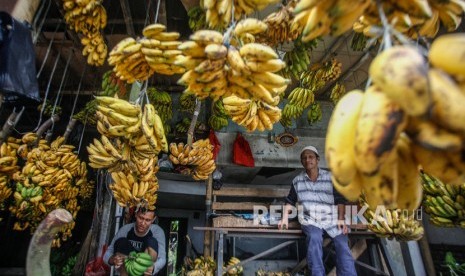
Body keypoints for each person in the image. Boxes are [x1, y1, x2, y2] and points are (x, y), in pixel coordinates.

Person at [278, 146, 356, 276]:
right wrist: (285, 218)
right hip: (310, 219)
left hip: (332, 218)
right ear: (301, 162)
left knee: (342, 244)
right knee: (314, 238)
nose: (307, 160)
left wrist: (341, 218)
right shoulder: (297, 181)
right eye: (304, 158)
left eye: (310, 157)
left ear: (317, 159)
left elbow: (339, 200)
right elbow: (290, 201)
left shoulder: (330, 177)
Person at [104, 208, 166, 275]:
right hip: (127, 268)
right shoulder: (125, 229)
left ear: (153, 219)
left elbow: (162, 258)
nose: (143, 223)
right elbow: (107, 254)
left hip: (144, 270)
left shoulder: (157, 232)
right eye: (141, 218)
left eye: (147, 220)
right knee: (121, 241)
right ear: (136, 214)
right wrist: (113, 259)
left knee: (151, 241)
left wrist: (153, 267)